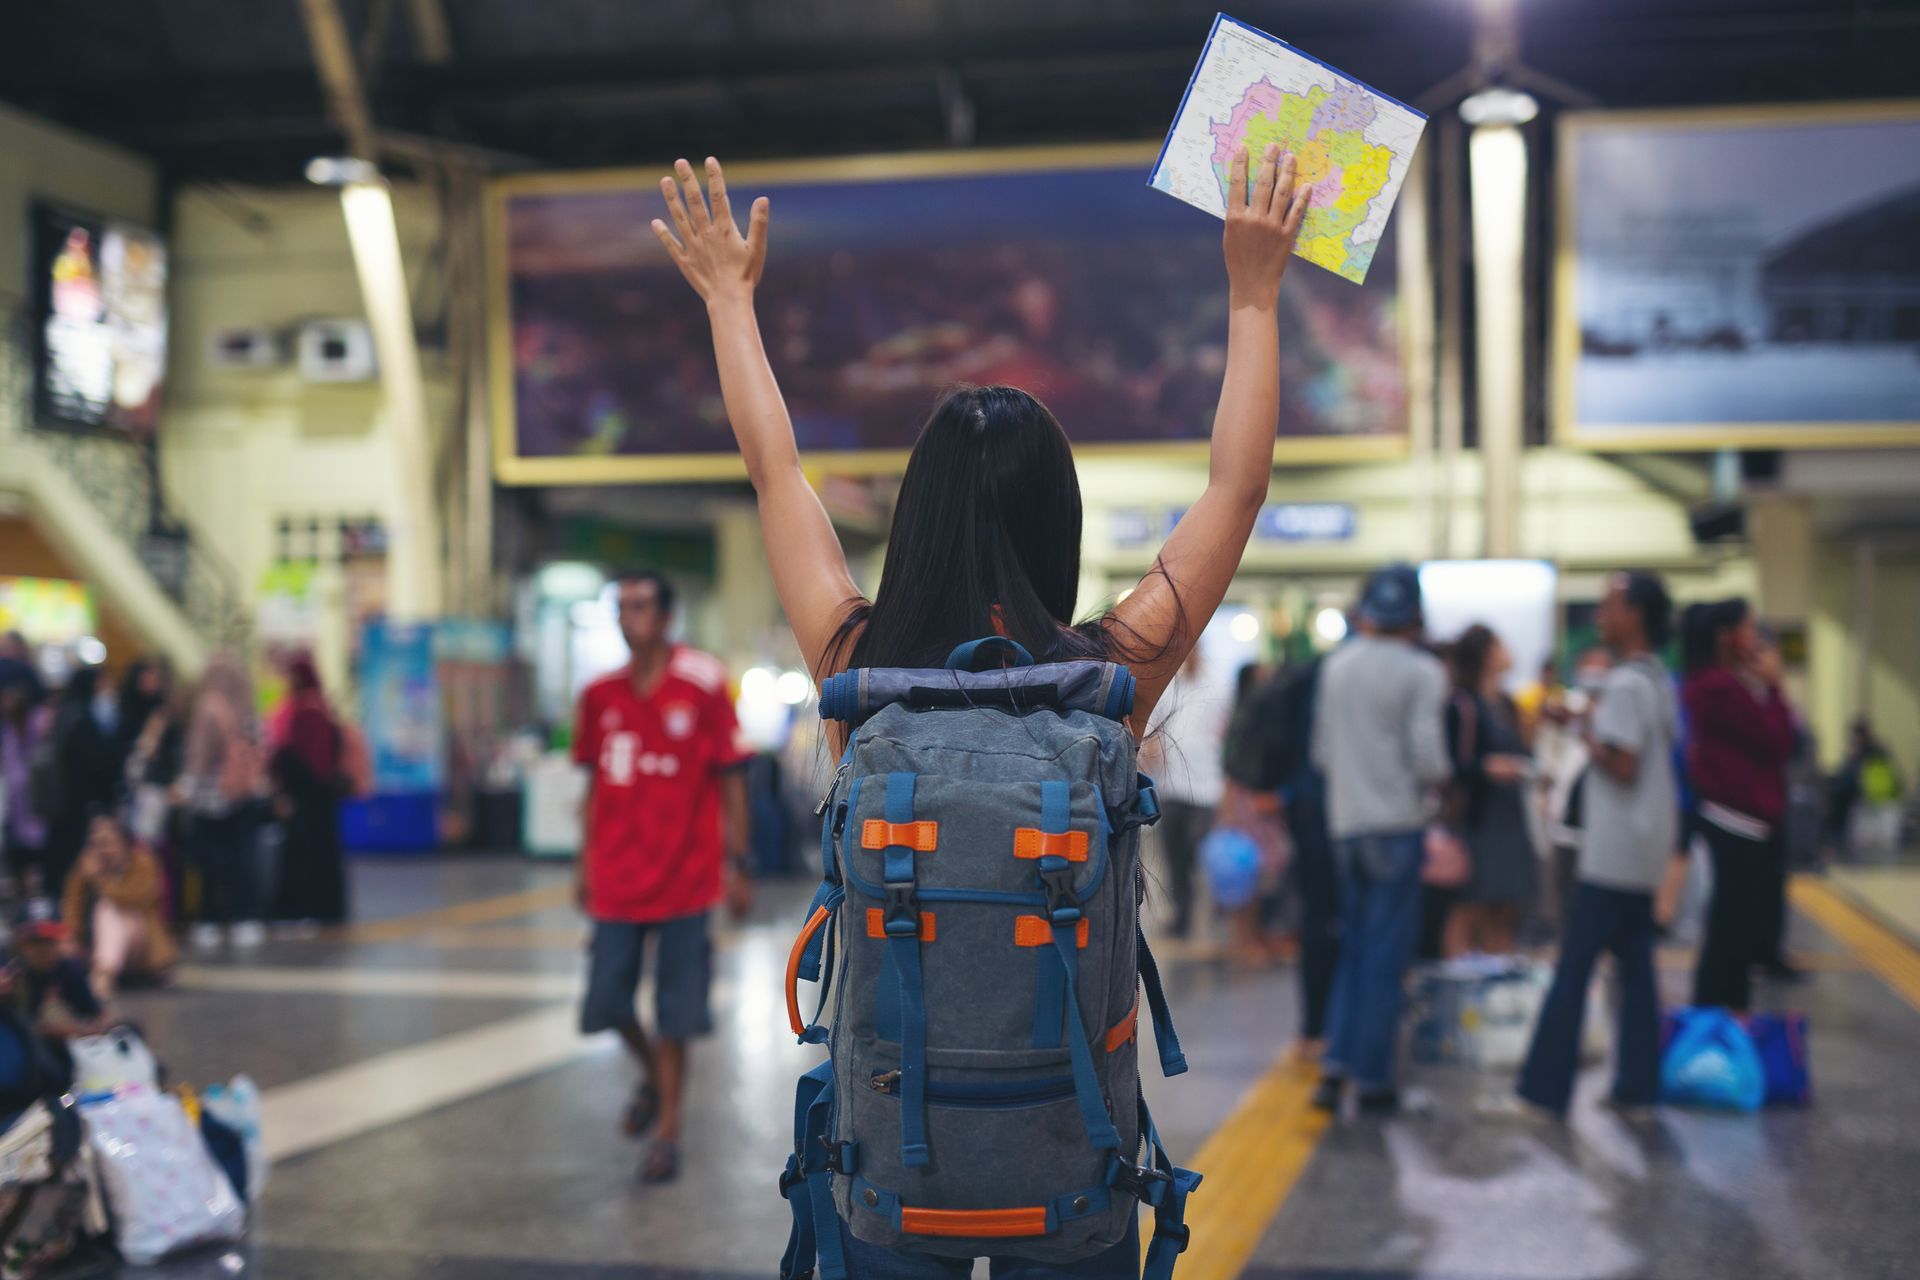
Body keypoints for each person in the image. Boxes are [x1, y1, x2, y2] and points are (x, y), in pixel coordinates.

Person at [652, 144, 1310, 1275]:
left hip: (895, 1173)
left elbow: (777, 473)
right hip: (1072, 1166)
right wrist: (1255, 291)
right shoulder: (1108, 681)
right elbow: (1235, 488)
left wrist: (728, 300)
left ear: (918, 519)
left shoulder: (861, 672)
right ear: (1055, 525)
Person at [574, 571, 753, 1186]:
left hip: (687, 876)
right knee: (607, 1003)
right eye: (621, 607)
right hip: (617, 877)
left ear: (667, 615)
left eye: (641, 606)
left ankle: (668, 1132)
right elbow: (594, 783)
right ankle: (653, 1077)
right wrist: (583, 863)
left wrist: (740, 863)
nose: (629, 617)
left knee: (677, 1013)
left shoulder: (703, 682)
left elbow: (731, 776)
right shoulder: (599, 694)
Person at [1517, 571, 1676, 1117]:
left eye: (1609, 607)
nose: (1601, 617)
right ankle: (1638, 1082)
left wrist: (1584, 732)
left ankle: (1544, 1086)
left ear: (1635, 615)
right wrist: (1587, 718)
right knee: (1635, 965)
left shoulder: (1627, 685)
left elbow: (1623, 764)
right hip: (1645, 844)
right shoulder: (1653, 677)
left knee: (1575, 966)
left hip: (1613, 850)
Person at [1309, 565, 1452, 1115]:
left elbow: (1322, 754)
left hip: (1346, 825)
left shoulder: (1337, 667)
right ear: (1414, 615)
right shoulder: (1424, 671)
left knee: (1354, 946)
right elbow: (1429, 758)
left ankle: (1335, 1067)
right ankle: (1372, 1079)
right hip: (1397, 826)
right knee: (1387, 955)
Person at [1684, 598, 1797, 1011]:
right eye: (1750, 628)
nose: (1757, 637)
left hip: (1738, 820)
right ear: (1727, 636)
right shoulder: (1720, 689)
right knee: (1731, 937)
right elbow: (1779, 741)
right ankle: (1720, 1028)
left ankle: (1723, 1026)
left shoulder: (1720, 685)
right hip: (1738, 823)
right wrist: (1773, 686)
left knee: (1731, 934)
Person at [1225, 656, 1339, 1058]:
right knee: (1333, 919)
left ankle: (1313, 1030)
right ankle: (1331, 1029)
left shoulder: (1304, 680)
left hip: (1300, 811)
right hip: (1326, 812)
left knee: (1313, 916)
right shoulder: (1328, 681)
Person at [1442, 625, 1536, 957]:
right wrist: (1486, 767)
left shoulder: (1507, 704)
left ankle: (1498, 980)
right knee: (1471, 904)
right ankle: (1459, 986)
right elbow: (1452, 764)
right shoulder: (1464, 705)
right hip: (1479, 817)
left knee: (1504, 906)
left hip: (1508, 814)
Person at [180, 652, 265, 949]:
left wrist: (189, 788)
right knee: (244, 860)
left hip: (209, 800)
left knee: (209, 864)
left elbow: (198, 757)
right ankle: (245, 918)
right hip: (244, 794)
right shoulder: (248, 707)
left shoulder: (208, 706)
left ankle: (210, 920)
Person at [1142, 650, 1229, 939]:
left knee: (1203, 858)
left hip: (1207, 788)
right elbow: (1152, 731)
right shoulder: (1167, 689)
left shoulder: (1216, 686)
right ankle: (1183, 916)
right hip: (1171, 786)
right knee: (1175, 858)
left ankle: (1210, 919)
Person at [268, 656, 351, 926]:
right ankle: (325, 909)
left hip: (305, 797)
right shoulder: (322, 708)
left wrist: (284, 777)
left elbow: (293, 755)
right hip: (323, 797)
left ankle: (300, 909)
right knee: (323, 856)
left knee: (302, 857)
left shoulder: (302, 711)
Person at [61, 814, 176, 998]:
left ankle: (104, 974)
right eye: (95, 843)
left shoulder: (143, 862)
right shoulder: (85, 866)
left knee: (108, 909)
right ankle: (101, 971)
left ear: (123, 842)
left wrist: (100, 879)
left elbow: (134, 897)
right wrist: (70, 937)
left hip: (140, 945)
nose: (101, 850)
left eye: (107, 842)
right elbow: (71, 906)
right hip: (93, 944)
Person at [44, 666, 117, 900]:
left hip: (59, 800)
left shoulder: (64, 713)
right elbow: (94, 762)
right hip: (77, 801)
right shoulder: (83, 717)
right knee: (73, 856)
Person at [3, 898, 109, 1046]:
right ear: (21, 944)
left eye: (48, 940)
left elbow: (97, 1015)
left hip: (78, 1047)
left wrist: (91, 1028)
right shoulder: (14, 977)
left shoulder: (70, 970)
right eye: (35, 941)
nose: (43, 949)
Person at [1, 677, 52, 896]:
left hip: (41, 802)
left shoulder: (40, 722)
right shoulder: (9, 730)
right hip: (16, 807)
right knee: (18, 860)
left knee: (40, 859)